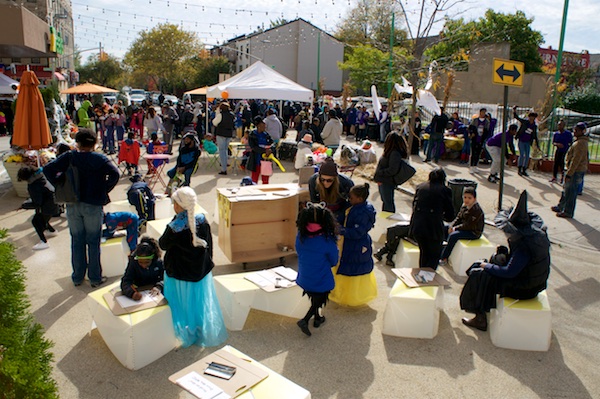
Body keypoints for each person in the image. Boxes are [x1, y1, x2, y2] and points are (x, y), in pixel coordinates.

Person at [460, 191, 550, 331]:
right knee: (495, 260)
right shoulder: (533, 239)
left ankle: (480, 317)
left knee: (481, 275)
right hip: (534, 282)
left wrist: (486, 265)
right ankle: (484, 308)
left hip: (525, 289)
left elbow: (509, 272)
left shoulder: (524, 247)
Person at [43, 129, 120, 287]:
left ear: (77, 143)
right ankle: (94, 278)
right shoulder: (100, 159)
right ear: (94, 143)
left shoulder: (69, 157)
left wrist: (60, 184)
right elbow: (115, 174)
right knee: (93, 242)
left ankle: (77, 277)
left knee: (77, 240)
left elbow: (48, 169)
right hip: (93, 204)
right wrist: (103, 189)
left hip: (72, 204)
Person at [158, 187, 228, 348]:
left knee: (182, 304)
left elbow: (162, 244)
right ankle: (200, 327)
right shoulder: (202, 220)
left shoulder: (175, 227)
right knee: (198, 302)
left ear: (177, 205)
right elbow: (209, 244)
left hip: (179, 274)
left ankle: (185, 333)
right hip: (200, 271)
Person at [295, 202, 339, 336]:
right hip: (321, 276)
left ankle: (318, 318)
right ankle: (305, 320)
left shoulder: (301, 235)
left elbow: (298, 250)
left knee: (314, 297)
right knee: (320, 298)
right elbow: (334, 260)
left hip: (305, 276)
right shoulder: (327, 239)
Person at [330, 184, 377, 307]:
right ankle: (343, 293)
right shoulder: (359, 208)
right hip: (352, 245)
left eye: (351, 198)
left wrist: (341, 230)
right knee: (348, 268)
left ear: (359, 199)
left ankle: (349, 296)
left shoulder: (362, 212)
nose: (349, 200)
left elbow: (357, 232)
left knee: (351, 271)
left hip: (356, 245)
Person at [409, 167, 454, 270]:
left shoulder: (420, 187)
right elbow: (450, 214)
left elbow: (414, 206)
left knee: (424, 253)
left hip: (418, 226)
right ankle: (429, 279)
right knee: (434, 256)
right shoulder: (445, 190)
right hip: (433, 228)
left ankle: (423, 275)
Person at [551, 122, 589, 219]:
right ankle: (561, 206)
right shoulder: (579, 142)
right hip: (574, 170)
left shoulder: (580, 143)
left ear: (582, 131)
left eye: (577, 130)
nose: (574, 132)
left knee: (571, 192)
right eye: (574, 129)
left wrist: (569, 174)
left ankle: (568, 212)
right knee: (566, 190)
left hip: (575, 171)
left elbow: (576, 160)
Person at [17, 166, 59, 251]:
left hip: (47, 206)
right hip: (54, 203)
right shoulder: (41, 177)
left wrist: (24, 205)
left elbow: (37, 203)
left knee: (36, 221)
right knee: (43, 219)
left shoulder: (33, 185)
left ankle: (44, 242)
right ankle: (52, 231)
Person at [439, 187, 484, 265]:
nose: (466, 200)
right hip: (464, 227)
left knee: (453, 236)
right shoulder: (464, 206)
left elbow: (469, 225)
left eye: (469, 198)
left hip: (473, 232)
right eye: (465, 197)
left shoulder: (476, 210)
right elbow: (458, 218)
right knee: (444, 228)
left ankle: (444, 258)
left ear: (474, 199)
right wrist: (451, 226)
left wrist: (455, 228)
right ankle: (441, 249)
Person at [308, 158, 354, 225]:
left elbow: (351, 202)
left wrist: (340, 214)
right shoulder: (313, 181)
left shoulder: (346, 183)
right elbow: (314, 200)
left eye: (329, 180)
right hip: (322, 210)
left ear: (335, 179)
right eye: (322, 179)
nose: (325, 183)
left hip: (339, 211)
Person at [374, 133, 409, 213]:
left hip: (387, 182)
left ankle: (389, 219)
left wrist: (380, 173)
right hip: (384, 181)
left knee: (388, 204)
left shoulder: (394, 154)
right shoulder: (391, 152)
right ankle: (386, 218)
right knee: (386, 203)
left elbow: (392, 170)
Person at [246, 116, 274, 184]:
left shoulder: (266, 135)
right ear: (258, 125)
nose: (265, 125)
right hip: (256, 160)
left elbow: (272, 143)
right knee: (254, 179)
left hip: (265, 160)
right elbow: (253, 147)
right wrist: (264, 150)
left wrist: (271, 149)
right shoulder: (252, 134)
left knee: (265, 179)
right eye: (263, 124)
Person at [513, 106, 539, 177]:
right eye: (531, 117)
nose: (531, 119)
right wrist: (514, 110)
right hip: (521, 140)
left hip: (527, 142)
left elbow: (535, 135)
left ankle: (524, 169)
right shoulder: (525, 122)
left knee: (527, 156)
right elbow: (517, 117)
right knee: (522, 155)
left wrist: (537, 144)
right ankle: (519, 168)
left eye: (533, 117)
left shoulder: (534, 126)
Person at [212, 101, 236, 176]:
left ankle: (223, 169)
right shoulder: (232, 115)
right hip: (229, 134)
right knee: (225, 150)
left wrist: (217, 112)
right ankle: (225, 164)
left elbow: (214, 123)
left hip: (221, 133)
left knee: (222, 151)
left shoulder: (220, 115)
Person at [468, 108, 490, 173]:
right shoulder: (475, 120)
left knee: (478, 153)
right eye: (482, 112)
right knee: (473, 152)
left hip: (481, 139)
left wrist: (483, 138)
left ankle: (475, 166)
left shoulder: (487, 122)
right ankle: (471, 166)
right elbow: (470, 128)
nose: (483, 114)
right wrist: (471, 134)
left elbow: (487, 131)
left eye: (484, 112)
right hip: (474, 138)